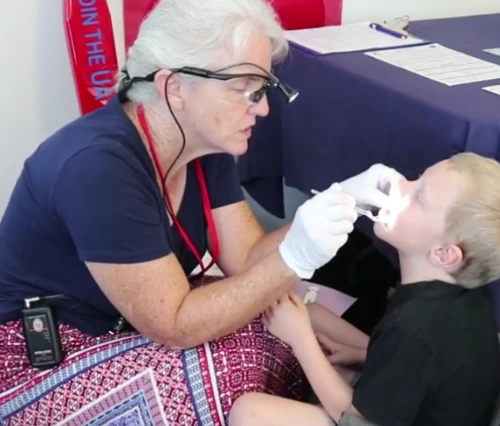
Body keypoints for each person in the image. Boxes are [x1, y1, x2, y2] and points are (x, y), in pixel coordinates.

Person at [0, 0, 402, 424]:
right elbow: (174, 324)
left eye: (262, 87)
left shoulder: (201, 141)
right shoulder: (97, 167)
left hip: (127, 323)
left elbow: (247, 262)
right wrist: (295, 256)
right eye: (245, 86)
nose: (262, 108)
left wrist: (341, 202)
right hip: (40, 352)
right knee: (232, 376)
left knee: (283, 324)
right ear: (174, 88)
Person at [229, 152, 500, 426]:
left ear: (444, 254)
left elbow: (356, 419)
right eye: (416, 179)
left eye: (419, 197)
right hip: (419, 400)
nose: (400, 186)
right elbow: (426, 367)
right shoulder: (458, 294)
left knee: (250, 413)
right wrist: (359, 355)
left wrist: (299, 340)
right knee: (312, 315)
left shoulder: (416, 329)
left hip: (371, 419)